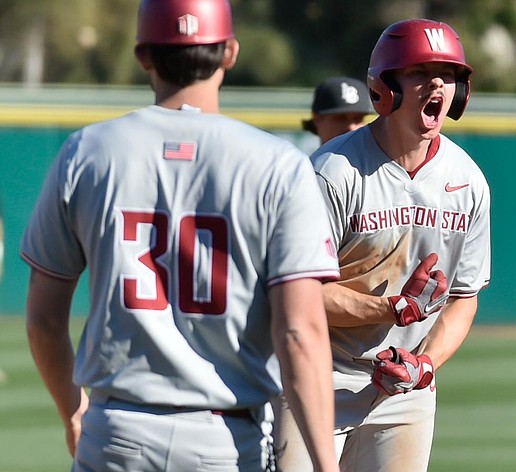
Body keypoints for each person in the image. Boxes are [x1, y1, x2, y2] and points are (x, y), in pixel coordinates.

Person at [21, 1, 339, 471]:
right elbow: (298, 331)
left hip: (117, 430)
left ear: (143, 55)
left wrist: (73, 411)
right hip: (226, 439)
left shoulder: (87, 152)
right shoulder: (278, 164)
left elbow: (45, 320)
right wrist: (326, 465)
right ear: (229, 52)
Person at [275, 18, 491, 472]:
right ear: (384, 89)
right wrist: (391, 309)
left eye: (448, 74)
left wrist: (426, 364)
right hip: (318, 376)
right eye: (419, 71)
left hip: (403, 391)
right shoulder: (332, 172)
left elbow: (463, 299)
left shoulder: (467, 181)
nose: (437, 82)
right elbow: (301, 295)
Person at [302, 76, 375, 145]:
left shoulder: (379, 158)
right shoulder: (302, 158)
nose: (351, 127)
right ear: (317, 119)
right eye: (341, 118)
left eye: (358, 118)